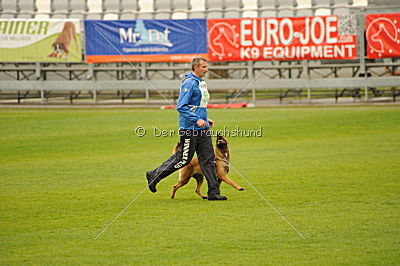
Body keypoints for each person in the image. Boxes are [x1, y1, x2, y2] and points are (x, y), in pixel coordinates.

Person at [146, 57, 227, 201]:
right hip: (189, 129)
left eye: (207, 66)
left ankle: (214, 193)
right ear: (195, 67)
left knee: (208, 159)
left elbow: (198, 106)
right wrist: (197, 119)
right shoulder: (189, 83)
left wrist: (205, 119)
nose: (207, 69)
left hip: (202, 128)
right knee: (183, 159)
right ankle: (154, 175)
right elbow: (181, 106)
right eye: (204, 67)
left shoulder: (201, 83)